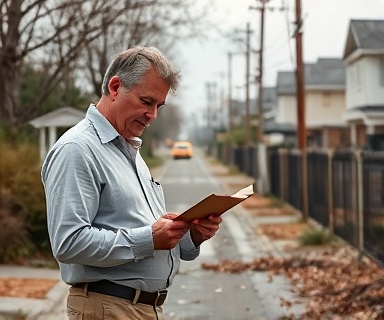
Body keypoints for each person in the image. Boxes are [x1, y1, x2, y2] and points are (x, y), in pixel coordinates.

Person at [41, 46, 222, 320]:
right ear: (115, 87)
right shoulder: (77, 149)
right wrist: (148, 238)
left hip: (136, 309)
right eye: (146, 101)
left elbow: (139, 227)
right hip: (108, 308)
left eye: (158, 106)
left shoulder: (128, 150)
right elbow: (68, 243)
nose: (153, 115)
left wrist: (192, 236)